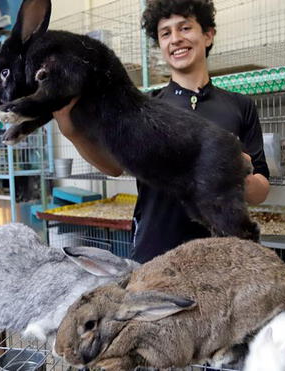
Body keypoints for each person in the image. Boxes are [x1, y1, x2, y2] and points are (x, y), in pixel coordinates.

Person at [52, 0, 270, 263]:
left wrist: (235, 172)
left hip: (222, 253)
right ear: (160, 45)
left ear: (208, 35)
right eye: (165, 33)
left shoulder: (240, 106)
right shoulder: (142, 106)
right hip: (155, 251)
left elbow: (261, 191)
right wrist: (71, 131)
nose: (176, 39)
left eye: (185, 28)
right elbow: (113, 167)